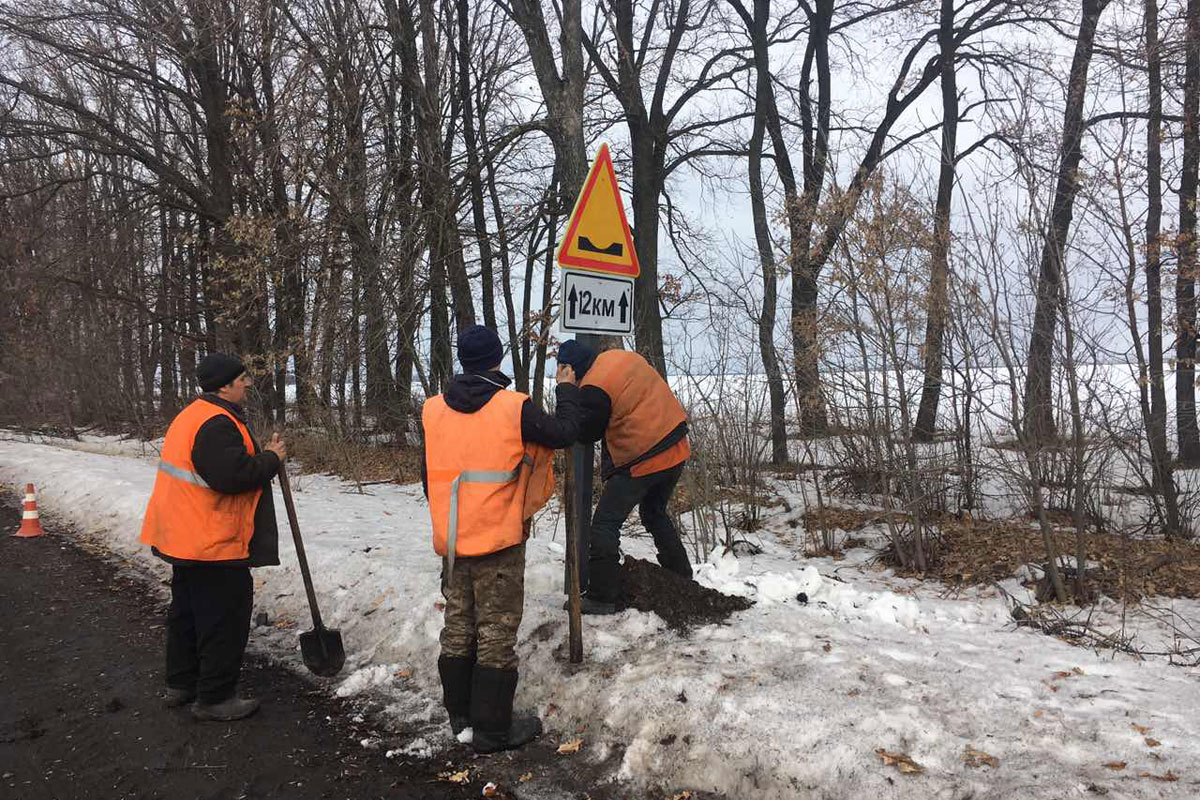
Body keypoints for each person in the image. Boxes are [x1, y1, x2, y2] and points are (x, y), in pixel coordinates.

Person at [422, 325, 581, 753]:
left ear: (462, 360)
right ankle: (492, 729)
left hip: (453, 537)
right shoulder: (514, 407)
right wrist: (566, 388)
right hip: (498, 538)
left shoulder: (433, 409)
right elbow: (564, 433)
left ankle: (461, 717)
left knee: (457, 625)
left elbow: (429, 474)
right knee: (495, 630)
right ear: (497, 359)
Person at [140, 353, 286, 722]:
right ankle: (215, 697)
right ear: (224, 386)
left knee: (187, 612)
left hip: (185, 534)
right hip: (212, 539)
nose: (248, 384)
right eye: (242, 379)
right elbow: (232, 477)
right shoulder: (216, 424)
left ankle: (182, 683)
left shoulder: (193, 415)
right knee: (223, 616)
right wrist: (272, 458)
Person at [555, 340, 692, 615]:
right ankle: (681, 577)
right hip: (676, 446)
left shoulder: (594, 387)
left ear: (571, 369)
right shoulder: (616, 357)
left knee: (604, 525)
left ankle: (602, 596)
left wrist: (566, 392)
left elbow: (584, 432)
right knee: (654, 513)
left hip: (644, 456)